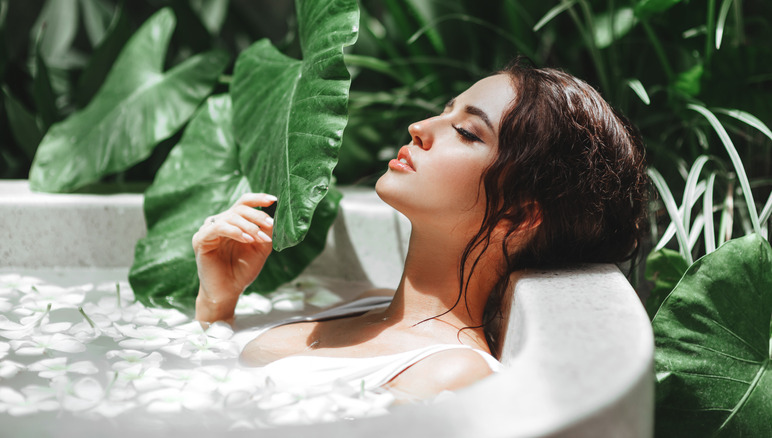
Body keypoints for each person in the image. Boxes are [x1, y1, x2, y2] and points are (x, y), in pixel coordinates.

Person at [191, 58, 648, 402]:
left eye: (467, 132)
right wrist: (218, 303)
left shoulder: (451, 374)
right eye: (444, 112)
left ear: (517, 216)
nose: (420, 128)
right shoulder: (370, 305)